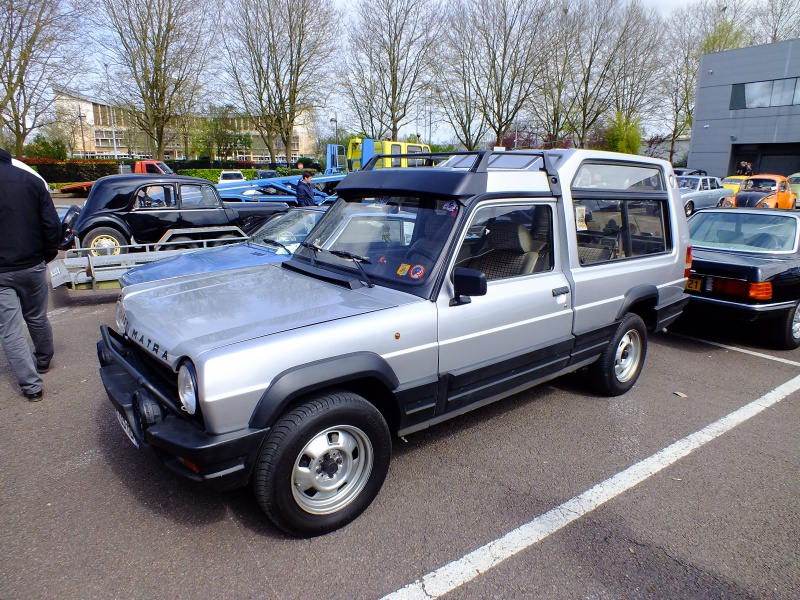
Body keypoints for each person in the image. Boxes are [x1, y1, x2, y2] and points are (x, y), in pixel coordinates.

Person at [0, 148, 61, 401]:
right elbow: (51, 224)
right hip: (32, 263)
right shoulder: (32, 181)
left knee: (10, 330)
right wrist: (46, 255)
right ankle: (44, 360)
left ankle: (32, 387)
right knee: (37, 316)